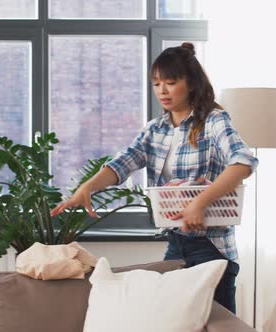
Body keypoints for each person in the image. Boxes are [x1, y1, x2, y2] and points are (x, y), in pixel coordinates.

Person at [50, 42, 258, 314]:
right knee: (172, 321)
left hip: (211, 248)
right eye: (156, 83)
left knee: (218, 325)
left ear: (192, 84)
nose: (162, 90)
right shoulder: (155, 129)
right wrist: (87, 187)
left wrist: (200, 203)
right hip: (176, 243)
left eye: (170, 82)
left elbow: (243, 162)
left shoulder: (213, 121)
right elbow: (123, 163)